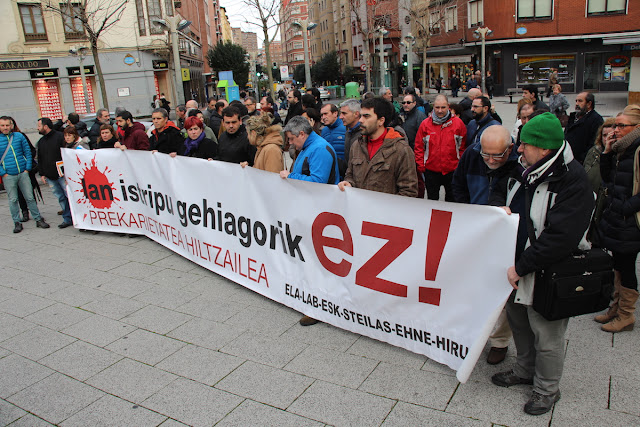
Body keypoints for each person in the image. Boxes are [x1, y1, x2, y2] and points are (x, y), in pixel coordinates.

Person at [490, 112, 593, 416]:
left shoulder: (573, 180)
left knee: (547, 335)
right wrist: (498, 210)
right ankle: (524, 370)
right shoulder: (523, 169)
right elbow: (499, 192)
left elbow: (561, 238)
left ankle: (547, 389)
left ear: (545, 149)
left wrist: (521, 267)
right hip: (514, 266)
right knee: (519, 323)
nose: (518, 149)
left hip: (544, 271)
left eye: (525, 145)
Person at [452, 125, 518, 364]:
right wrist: (466, 212)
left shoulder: (519, 162)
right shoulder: (472, 154)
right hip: (475, 228)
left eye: (497, 155)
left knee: (503, 288)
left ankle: (499, 342)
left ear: (510, 149)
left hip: (505, 233)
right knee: (471, 284)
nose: (490, 160)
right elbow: (458, 184)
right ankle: (471, 333)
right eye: (486, 155)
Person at [280, 115, 339, 326]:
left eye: (291, 139)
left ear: (302, 134)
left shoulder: (319, 149)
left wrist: (291, 177)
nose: (290, 144)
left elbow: (318, 182)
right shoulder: (308, 147)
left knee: (317, 262)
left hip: (321, 212)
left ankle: (320, 307)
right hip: (311, 211)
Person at [595, 105, 640, 332]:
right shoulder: (621, 148)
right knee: (618, 265)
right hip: (617, 216)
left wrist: (625, 207)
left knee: (627, 266)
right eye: (615, 125)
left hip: (629, 220)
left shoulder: (637, 149)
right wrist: (607, 152)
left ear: (636, 127)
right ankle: (615, 308)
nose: (616, 130)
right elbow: (607, 178)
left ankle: (626, 315)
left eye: (621, 126)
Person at [339, 96, 418, 197]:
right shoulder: (357, 145)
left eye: (366, 116)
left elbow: (409, 192)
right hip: (359, 210)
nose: (360, 120)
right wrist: (348, 183)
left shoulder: (401, 150)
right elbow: (350, 175)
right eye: (361, 116)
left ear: (381, 120)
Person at [0, 116, 49, 233]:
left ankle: (38, 218)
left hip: (23, 172)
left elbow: (28, 152)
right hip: (9, 174)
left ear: (11, 125)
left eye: (7, 125)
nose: (5, 127)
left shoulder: (19, 136)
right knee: (13, 200)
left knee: (30, 197)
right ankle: (17, 222)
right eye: (2, 125)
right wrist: (3, 173)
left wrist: (27, 169)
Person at [414, 94, 467, 201]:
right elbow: (419, 147)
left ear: (448, 106)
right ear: (433, 106)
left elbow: (463, 147)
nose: (440, 110)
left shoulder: (458, 124)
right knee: (432, 200)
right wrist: (421, 166)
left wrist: (459, 166)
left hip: (452, 170)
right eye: (437, 107)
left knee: (451, 200)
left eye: (443, 107)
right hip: (431, 170)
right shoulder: (425, 124)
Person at [37, 117, 73, 228]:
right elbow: (40, 158)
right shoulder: (41, 141)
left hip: (62, 174)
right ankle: (67, 218)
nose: (37, 128)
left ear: (45, 126)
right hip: (50, 175)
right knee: (60, 197)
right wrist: (42, 173)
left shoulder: (59, 137)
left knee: (69, 195)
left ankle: (76, 216)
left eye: (39, 126)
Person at [565, 91, 604, 164]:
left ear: (589, 104)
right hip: (569, 158)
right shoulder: (573, 117)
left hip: (582, 161)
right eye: (576, 101)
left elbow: (594, 142)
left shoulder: (596, 119)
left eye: (580, 101)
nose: (576, 104)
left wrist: (583, 158)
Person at [340, 99, 362, 165]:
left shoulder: (364, 134)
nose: (340, 117)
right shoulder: (348, 133)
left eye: (344, 113)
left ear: (356, 114)